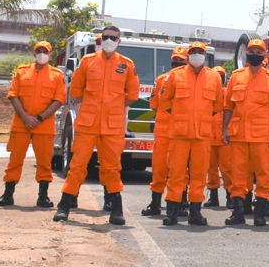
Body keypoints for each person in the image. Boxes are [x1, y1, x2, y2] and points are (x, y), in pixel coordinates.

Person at [53, 26, 139, 225]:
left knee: (112, 168)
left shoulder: (127, 65)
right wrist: (94, 105)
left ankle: (116, 210)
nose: (109, 40)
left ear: (119, 41)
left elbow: (132, 95)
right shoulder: (87, 61)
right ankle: (64, 206)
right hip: (87, 123)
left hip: (113, 125)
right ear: (101, 40)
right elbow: (76, 91)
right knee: (77, 165)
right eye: (106, 37)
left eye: (113, 38)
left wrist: (114, 106)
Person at [0, 42, 66, 208]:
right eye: (39, 51)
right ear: (34, 53)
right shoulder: (21, 71)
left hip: (44, 125)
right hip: (21, 124)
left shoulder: (56, 75)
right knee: (15, 160)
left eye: (45, 52)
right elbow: (13, 95)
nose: (42, 54)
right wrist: (25, 117)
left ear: (50, 54)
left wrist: (39, 118)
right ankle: (7, 195)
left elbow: (58, 100)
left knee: (44, 162)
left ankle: (43, 197)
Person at [160, 41, 223, 226]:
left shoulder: (214, 77)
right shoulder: (174, 75)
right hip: (179, 133)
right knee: (176, 173)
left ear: (205, 55)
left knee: (199, 175)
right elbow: (165, 101)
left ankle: (195, 212)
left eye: (200, 52)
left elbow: (218, 105)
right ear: (188, 55)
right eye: (193, 52)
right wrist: (181, 117)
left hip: (202, 134)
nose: (197, 55)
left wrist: (201, 117)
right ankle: (171, 212)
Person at [221, 39, 269, 226]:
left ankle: (260, 213)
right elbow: (228, 106)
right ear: (246, 54)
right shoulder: (236, 77)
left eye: (259, 52)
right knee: (238, 174)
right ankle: (238, 213)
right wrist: (224, 129)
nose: (255, 55)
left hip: (263, 136)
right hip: (239, 134)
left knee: (264, 173)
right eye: (251, 52)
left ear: (265, 55)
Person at [141, 46, 187, 217]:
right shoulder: (161, 80)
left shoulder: (191, 81)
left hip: (181, 132)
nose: (178, 63)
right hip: (163, 131)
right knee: (159, 168)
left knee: (180, 169)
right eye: (176, 60)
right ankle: (155, 203)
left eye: (181, 61)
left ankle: (181, 202)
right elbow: (154, 105)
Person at [205, 64, 232, 209]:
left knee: (227, 167)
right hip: (209, 135)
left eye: (221, 76)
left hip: (224, 136)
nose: (219, 79)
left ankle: (230, 196)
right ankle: (213, 195)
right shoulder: (208, 91)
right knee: (211, 168)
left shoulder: (228, 92)